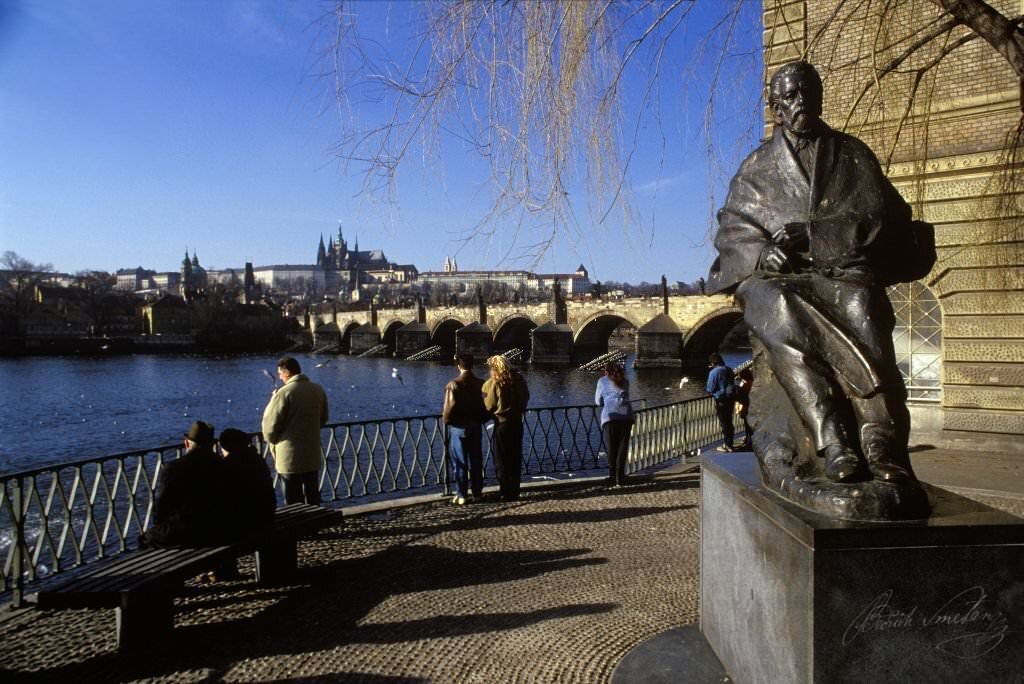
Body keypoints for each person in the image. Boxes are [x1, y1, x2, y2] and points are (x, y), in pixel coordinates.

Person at [707, 60, 934, 484]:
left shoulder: (852, 154)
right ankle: (833, 439)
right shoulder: (755, 168)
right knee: (773, 306)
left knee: (861, 303)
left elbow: (888, 218)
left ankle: (878, 436)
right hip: (779, 281)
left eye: (808, 92)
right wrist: (761, 254)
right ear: (775, 106)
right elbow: (731, 232)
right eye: (790, 96)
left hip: (842, 270)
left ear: (821, 96)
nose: (801, 102)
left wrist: (819, 235)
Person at [141, 420, 226, 548]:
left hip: (186, 533)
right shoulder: (221, 464)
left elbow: (160, 511)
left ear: (186, 443)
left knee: (144, 539)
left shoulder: (174, 468)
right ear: (212, 444)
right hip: (219, 528)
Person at [261, 356, 329, 504]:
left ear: (287, 373)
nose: (279, 377)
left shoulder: (284, 393)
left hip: (290, 456)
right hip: (311, 454)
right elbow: (323, 418)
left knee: (293, 499)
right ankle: (315, 525)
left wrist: (272, 441)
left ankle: (299, 526)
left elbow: (269, 426)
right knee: (313, 496)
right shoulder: (317, 390)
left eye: (280, 374)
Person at [442, 353, 489, 505]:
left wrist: (447, 421)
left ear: (458, 366)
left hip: (458, 428)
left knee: (460, 462)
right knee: (476, 461)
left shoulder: (453, 384)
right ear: (472, 365)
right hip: (475, 426)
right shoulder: (481, 383)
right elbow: (486, 406)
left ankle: (462, 494)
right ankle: (477, 493)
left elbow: (449, 408)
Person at [482, 355, 530, 502]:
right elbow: (526, 398)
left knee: (501, 460)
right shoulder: (520, 380)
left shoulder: (494, 383)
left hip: (502, 425)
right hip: (517, 423)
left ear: (494, 368)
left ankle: (505, 491)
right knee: (515, 459)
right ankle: (514, 490)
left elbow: (488, 405)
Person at [595, 361, 634, 487]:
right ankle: (620, 476)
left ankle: (612, 477)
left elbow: (597, 401)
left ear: (606, 371)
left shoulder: (602, 381)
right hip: (626, 415)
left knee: (612, 448)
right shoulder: (625, 381)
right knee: (622, 448)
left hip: (610, 417)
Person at [706, 353, 736, 453]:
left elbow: (710, 388)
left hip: (721, 400)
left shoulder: (714, 372)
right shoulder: (729, 369)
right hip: (731, 399)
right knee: (729, 421)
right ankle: (730, 443)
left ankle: (727, 445)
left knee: (724, 423)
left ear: (713, 362)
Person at [735, 367, 753, 450]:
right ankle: (749, 439)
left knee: (747, 424)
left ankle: (749, 440)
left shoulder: (746, 385)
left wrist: (737, 387)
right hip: (752, 406)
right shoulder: (753, 383)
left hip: (747, 406)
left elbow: (740, 395)